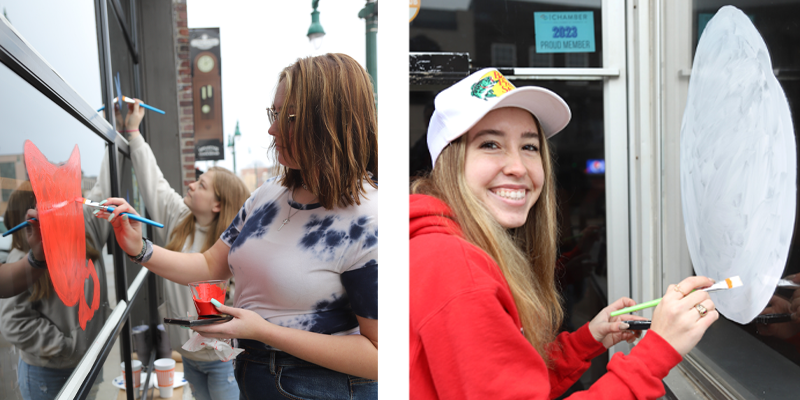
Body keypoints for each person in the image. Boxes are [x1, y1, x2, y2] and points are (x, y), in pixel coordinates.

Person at [410, 68, 719, 399]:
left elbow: (503, 380)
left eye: (529, 147)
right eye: (490, 144)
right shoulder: (458, 269)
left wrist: (586, 340)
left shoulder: (444, 248)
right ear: (448, 161)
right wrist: (659, 349)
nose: (518, 166)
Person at [96, 53, 378, 399]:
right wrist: (140, 248)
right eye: (273, 114)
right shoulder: (269, 194)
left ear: (328, 123)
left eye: (287, 117)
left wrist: (265, 331)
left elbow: (380, 358)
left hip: (321, 386)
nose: (272, 129)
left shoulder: (370, 218)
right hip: (254, 374)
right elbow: (210, 264)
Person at [115, 101, 250, 400]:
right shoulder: (180, 220)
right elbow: (155, 184)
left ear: (217, 204)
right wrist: (133, 132)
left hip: (222, 362)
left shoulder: (236, 249)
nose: (190, 185)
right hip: (188, 356)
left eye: (201, 185)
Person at [0, 182, 109, 400]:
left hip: (87, 361)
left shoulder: (78, 241)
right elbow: (14, 323)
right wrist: (67, 345)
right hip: (49, 374)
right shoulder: (22, 260)